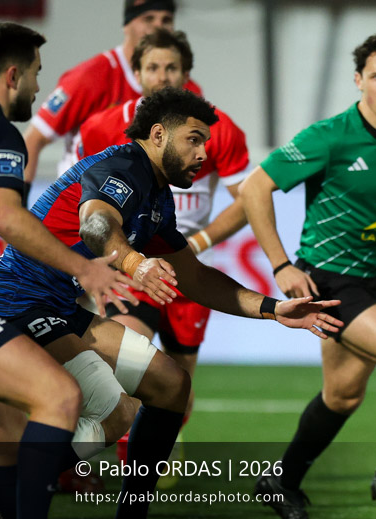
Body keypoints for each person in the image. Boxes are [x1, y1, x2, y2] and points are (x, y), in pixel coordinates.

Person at [0, 86, 342, 519]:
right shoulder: (123, 167)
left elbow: (193, 276)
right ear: (157, 134)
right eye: (193, 140)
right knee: (94, 408)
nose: (203, 153)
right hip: (16, 306)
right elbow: (95, 223)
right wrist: (135, 263)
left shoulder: (157, 195)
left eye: (206, 143)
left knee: (168, 386)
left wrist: (273, 309)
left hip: (57, 306)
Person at [240, 32, 376, 519]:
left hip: (374, 283)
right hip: (327, 282)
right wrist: (282, 265)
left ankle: (281, 480)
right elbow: (254, 187)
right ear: (358, 81)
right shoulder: (329, 136)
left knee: (342, 395)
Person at [0, 21, 138, 519]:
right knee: (58, 398)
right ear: (12, 74)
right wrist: (85, 268)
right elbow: (5, 218)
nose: (39, 89)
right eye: (37, 75)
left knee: (2, 430)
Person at [79, 29, 251, 453]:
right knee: (122, 365)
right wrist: (115, 260)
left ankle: (140, 460)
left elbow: (249, 200)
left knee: (180, 383)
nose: (162, 76)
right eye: (152, 67)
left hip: (181, 262)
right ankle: (93, 461)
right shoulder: (103, 128)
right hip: (134, 264)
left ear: (186, 72)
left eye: (171, 67)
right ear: (136, 72)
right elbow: (85, 208)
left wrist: (200, 241)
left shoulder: (214, 128)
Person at [23, 0, 200, 181]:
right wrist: (19, 200)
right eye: (148, 19)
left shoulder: (185, 90)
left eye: (166, 20)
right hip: (82, 192)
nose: (158, 27)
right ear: (127, 25)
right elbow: (34, 139)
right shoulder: (89, 77)